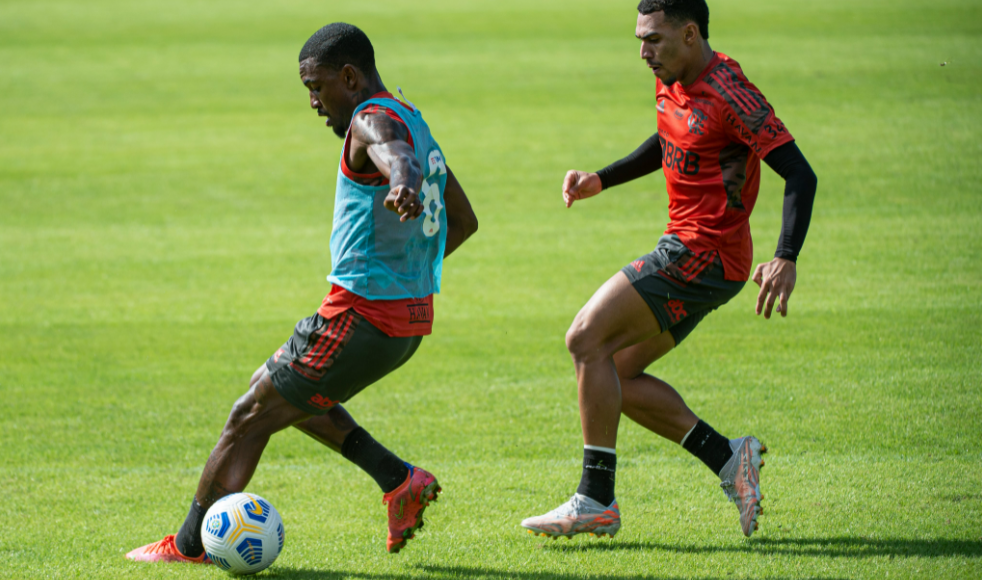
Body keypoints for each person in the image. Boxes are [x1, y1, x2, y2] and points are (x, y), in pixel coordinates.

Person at [127, 22, 478, 563]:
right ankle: (397, 479)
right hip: (407, 320)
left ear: (349, 76)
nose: (314, 102)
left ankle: (190, 545)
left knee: (248, 415)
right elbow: (463, 220)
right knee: (276, 392)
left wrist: (402, 180)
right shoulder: (414, 118)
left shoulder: (371, 119)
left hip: (360, 316)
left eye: (316, 87)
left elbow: (392, 155)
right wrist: (406, 271)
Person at [520, 0, 817, 540]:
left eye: (653, 39)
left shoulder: (731, 92)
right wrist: (601, 179)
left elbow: (799, 172)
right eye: (639, 38)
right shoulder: (673, 75)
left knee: (585, 338)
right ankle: (729, 458)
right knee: (615, 373)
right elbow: (670, 138)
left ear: (689, 34)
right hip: (692, 249)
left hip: (705, 252)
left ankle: (596, 499)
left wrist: (786, 256)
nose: (643, 52)